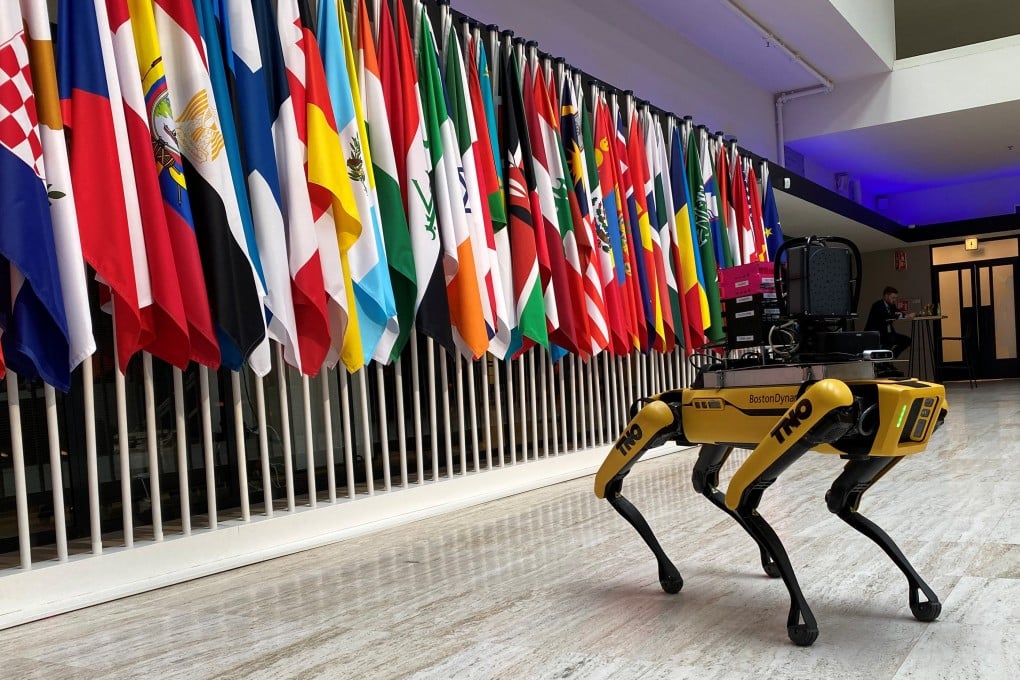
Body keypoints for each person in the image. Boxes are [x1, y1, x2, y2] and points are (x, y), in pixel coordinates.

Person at [864, 286, 914, 358]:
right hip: (877, 334)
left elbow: (897, 312)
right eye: (893, 298)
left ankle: (891, 357)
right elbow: (887, 316)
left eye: (895, 298)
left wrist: (907, 315)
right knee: (889, 341)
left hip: (888, 333)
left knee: (907, 340)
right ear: (886, 296)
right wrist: (901, 315)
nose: (894, 300)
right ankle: (884, 362)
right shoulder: (878, 305)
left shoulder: (891, 305)